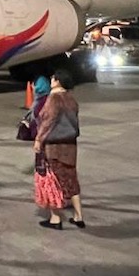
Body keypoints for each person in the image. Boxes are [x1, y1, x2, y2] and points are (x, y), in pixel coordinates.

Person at [33, 71, 86, 230]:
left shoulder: (54, 98)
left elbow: (48, 121)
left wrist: (38, 139)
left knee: (52, 180)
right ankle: (78, 216)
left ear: (58, 81)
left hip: (55, 146)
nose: (51, 79)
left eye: (53, 78)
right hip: (70, 144)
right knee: (71, 178)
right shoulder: (71, 99)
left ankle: (55, 218)